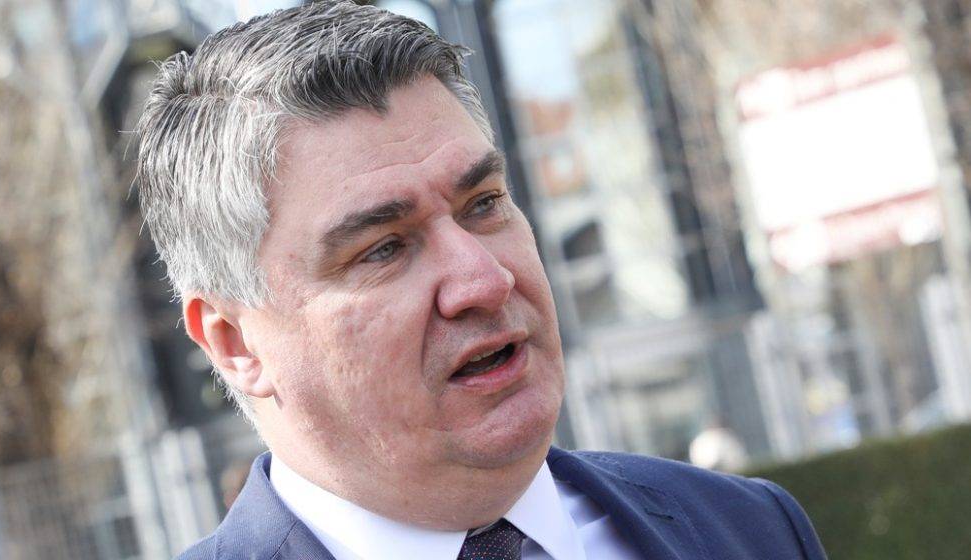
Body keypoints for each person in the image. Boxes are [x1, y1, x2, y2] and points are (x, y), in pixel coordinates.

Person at [135, 2, 827, 559]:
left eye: (483, 204)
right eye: (384, 248)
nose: (483, 279)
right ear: (235, 343)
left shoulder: (750, 529)